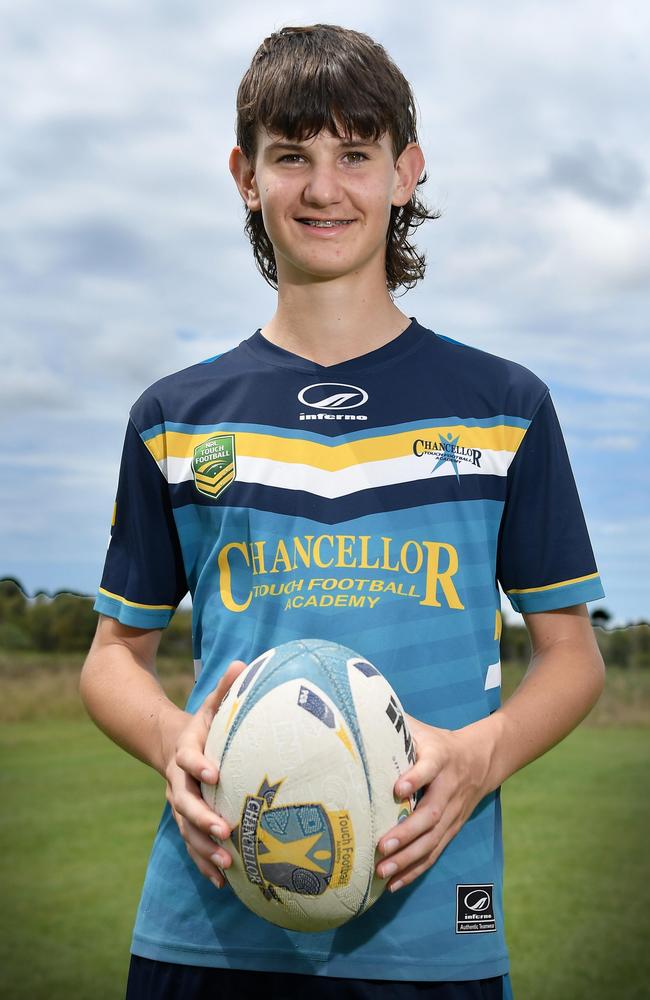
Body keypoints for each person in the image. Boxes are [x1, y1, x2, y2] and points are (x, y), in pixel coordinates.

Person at [80, 23, 606, 1000]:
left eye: (354, 154)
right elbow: (114, 655)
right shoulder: (174, 416)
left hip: (433, 914)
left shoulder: (502, 404)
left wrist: (479, 751)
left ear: (404, 172)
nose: (324, 189)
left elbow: (570, 654)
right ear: (246, 175)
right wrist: (169, 739)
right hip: (209, 918)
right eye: (292, 155)